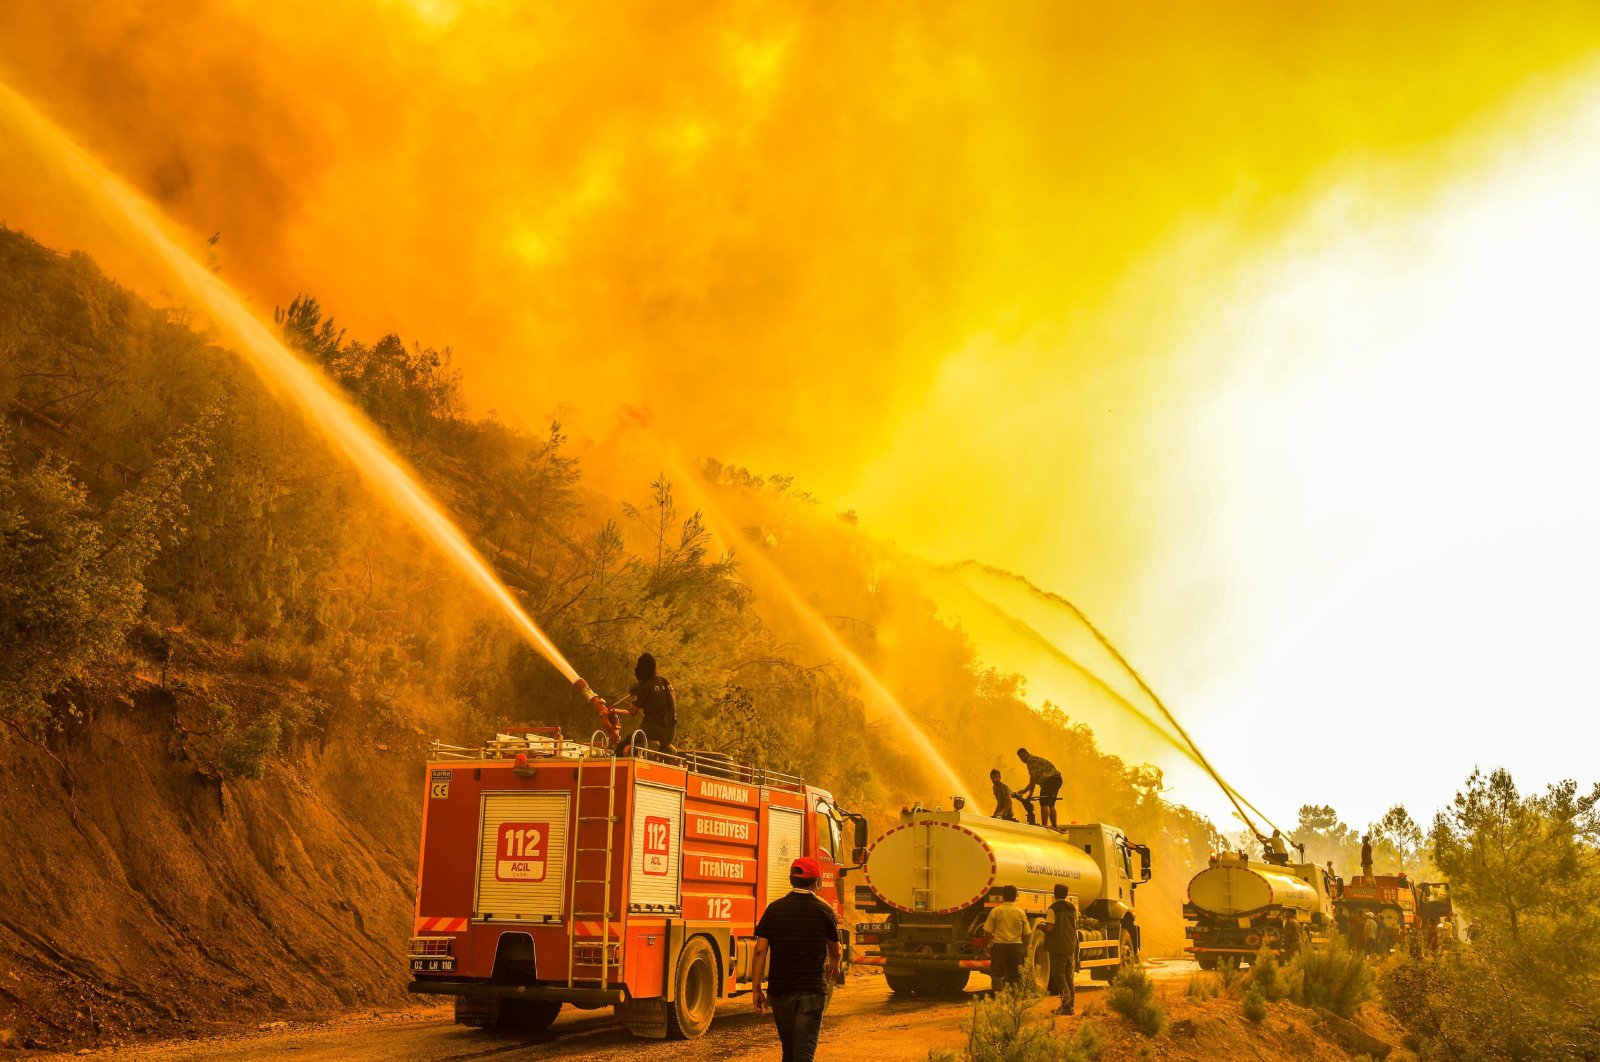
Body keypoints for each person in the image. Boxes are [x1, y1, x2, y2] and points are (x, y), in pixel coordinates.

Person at [752, 856, 842, 1062]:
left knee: (789, 1050)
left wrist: (756, 988)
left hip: (781, 991)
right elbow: (835, 948)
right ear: (816, 882)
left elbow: (759, 951)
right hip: (812, 991)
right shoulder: (824, 910)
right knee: (804, 1053)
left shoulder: (774, 910)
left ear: (791, 880)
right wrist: (835, 965)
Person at [614, 653, 677, 755]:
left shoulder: (645, 686)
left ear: (642, 668)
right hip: (670, 734)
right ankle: (665, 748)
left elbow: (632, 711)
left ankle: (649, 745)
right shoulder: (666, 682)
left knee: (621, 748)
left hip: (653, 733)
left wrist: (636, 694)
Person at [983, 885, 1029, 993]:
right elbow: (1026, 933)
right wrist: (1019, 940)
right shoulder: (1020, 912)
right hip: (1016, 946)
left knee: (996, 973)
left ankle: (999, 994)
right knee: (1015, 974)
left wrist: (986, 946)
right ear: (1015, 897)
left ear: (1003, 897)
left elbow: (988, 931)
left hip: (999, 946)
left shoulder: (995, 911)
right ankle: (1013, 997)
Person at [1042, 884, 1077, 1015]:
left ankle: (1066, 1007)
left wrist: (1042, 927)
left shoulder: (1053, 909)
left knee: (1059, 977)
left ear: (1054, 893)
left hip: (1057, 948)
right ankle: (1070, 1006)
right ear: (1066, 894)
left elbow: (1050, 928)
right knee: (1069, 977)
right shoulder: (1072, 907)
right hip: (1070, 946)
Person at [1014, 748, 1064, 829]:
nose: (1023, 758)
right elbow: (1033, 780)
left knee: (1044, 803)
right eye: (1021, 757)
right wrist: (1025, 790)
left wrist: (1030, 794)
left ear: (1027, 753)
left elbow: (1033, 779)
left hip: (1049, 781)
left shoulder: (1031, 761)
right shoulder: (1035, 759)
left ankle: (1044, 826)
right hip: (1057, 780)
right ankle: (1054, 826)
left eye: (1023, 755)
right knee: (1051, 804)